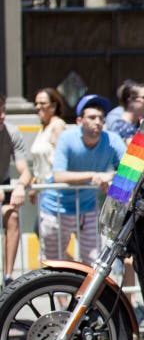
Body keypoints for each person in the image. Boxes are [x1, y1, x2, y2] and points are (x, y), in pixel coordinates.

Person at [38, 94, 126, 264]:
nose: (98, 121)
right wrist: (94, 176)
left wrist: (113, 181)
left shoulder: (112, 140)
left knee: (95, 262)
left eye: (101, 118)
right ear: (79, 121)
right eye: (92, 117)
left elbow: (128, 169)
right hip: (56, 210)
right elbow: (58, 175)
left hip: (87, 209)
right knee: (53, 265)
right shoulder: (67, 138)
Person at [29, 88, 67, 262]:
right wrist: (34, 181)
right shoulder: (43, 127)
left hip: (55, 191)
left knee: (46, 235)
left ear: (53, 106)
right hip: (43, 191)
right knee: (44, 235)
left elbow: (59, 159)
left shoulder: (57, 125)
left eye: (42, 103)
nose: (38, 107)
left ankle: (76, 274)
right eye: (36, 103)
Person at [1, 94, 34, 285]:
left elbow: (25, 171)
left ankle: (7, 277)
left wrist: (20, 186)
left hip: (4, 183)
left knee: (12, 216)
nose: (2, 116)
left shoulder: (11, 132)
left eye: (3, 110)